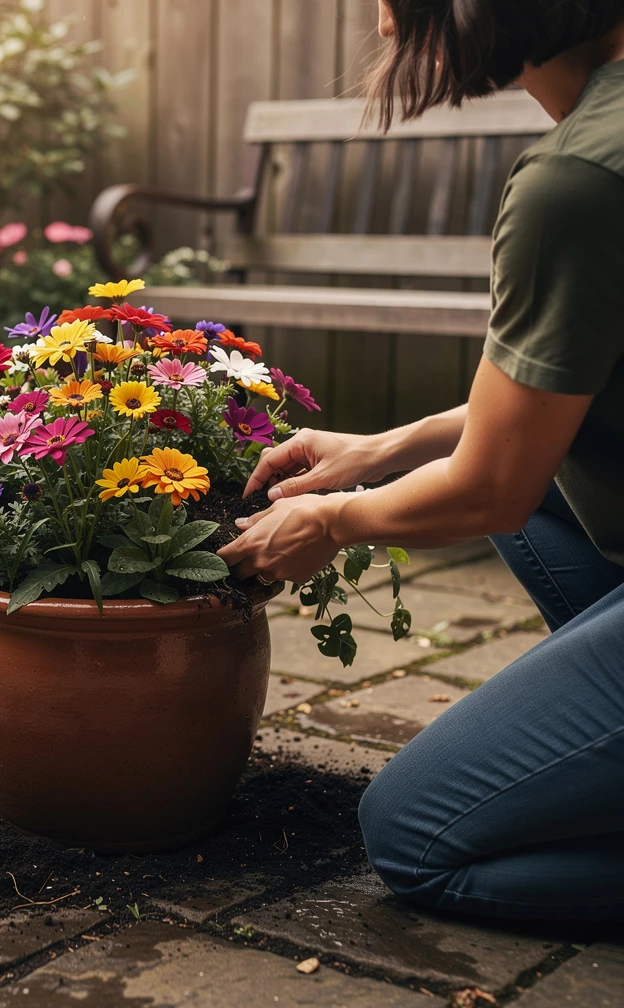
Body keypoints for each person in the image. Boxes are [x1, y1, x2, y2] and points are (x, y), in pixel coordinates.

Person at [217, 0, 624, 921]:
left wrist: (331, 516)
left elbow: (493, 486)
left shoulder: (578, 181)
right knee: (558, 489)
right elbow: (558, 396)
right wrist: (383, 449)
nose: (380, 16)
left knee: (416, 837)